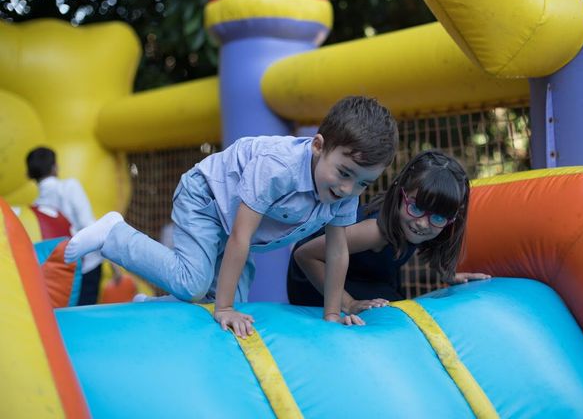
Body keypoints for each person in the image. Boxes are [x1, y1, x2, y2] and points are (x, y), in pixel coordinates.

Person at [64, 96, 399, 337]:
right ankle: (114, 235)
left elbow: (337, 251)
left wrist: (332, 315)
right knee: (196, 284)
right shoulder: (277, 167)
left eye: (363, 183)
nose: (348, 188)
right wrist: (224, 309)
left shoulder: (345, 192)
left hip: (235, 225)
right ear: (317, 146)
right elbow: (241, 236)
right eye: (344, 172)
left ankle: (153, 305)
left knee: (231, 302)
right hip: (207, 200)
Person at [287, 150, 490, 314]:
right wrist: (348, 304)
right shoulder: (374, 232)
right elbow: (304, 255)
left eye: (437, 218)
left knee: (396, 305)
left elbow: (429, 245)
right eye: (416, 208)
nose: (422, 224)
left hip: (364, 274)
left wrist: (449, 275)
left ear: (451, 219)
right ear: (401, 193)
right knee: (391, 309)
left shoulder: (414, 223)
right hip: (315, 280)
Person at [26, 146, 107, 305]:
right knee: (84, 315)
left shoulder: (35, 207)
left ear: (29, 174)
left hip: (60, 271)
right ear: (55, 167)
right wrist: (112, 261)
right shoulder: (70, 186)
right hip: (87, 264)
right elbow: (87, 224)